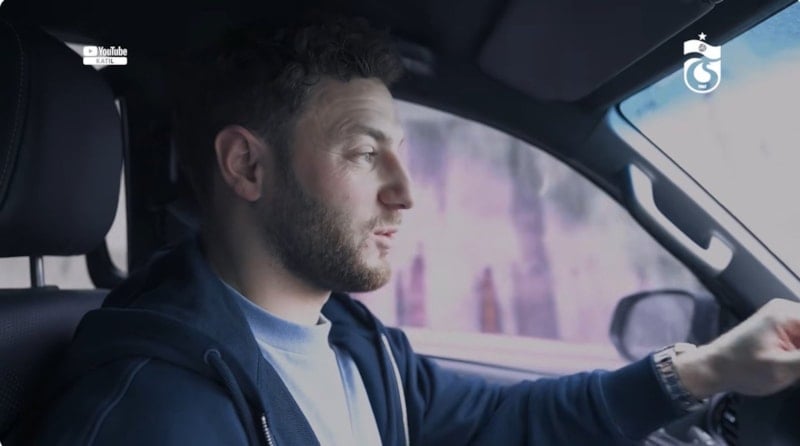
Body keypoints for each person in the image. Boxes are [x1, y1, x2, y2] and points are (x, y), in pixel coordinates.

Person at [34, 15, 800, 446]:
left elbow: (506, 418)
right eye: (366, 153)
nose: (405, 194)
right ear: (247, 166)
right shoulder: (151, 415)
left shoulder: (353, 346)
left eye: (399, 152)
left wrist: (709, 368)